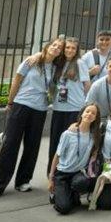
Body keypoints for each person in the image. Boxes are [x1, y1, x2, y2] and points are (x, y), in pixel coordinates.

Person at [0, 38, 64, 200]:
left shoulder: (56, 68)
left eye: (59, 48)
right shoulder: (31, 61)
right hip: (21, 105)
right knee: (10, 144)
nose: (56, 48)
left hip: (40, 109)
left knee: (32, 145)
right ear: (47, 47)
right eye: (54, 45)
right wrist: (10, 101)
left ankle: (23, 180)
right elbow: (17, 80)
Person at [47, 103, 102, 214]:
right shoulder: (68, 133)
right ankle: (61, 194)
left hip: (78, 173)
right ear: (82, 114)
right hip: (62, 174)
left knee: (82, 182)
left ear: (96, 118)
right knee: (64, 208)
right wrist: (51, 178)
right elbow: (57, 155)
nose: (89, 114)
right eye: (87, 111)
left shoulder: (94, 136)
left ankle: (71, 193)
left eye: (93, 113)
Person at [47, 38, 91, 175]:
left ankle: (68, 172)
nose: (69, 50)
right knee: (55, 142)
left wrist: (84, 104)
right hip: (59, 109)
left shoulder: (79, 63)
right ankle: (52, 172)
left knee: (72, 143)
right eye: (67, 47)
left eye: (73, 48)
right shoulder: (58, 64)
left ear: (77, 50)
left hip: (74, 109)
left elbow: (87, 85)